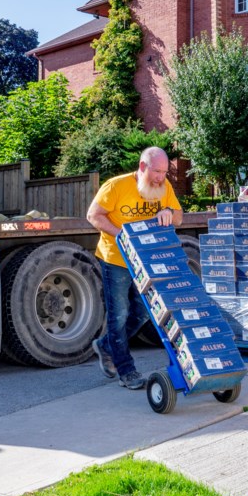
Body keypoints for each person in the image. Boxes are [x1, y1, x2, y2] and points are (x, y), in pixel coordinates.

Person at [86, 147, 183, 390]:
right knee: (118, 315)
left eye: (164, 172)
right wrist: (122, 236)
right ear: (142, 167)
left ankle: (106, 345)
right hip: (116, 259)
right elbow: (94, 215)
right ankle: (126, 370)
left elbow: (179, 216)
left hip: (147, 259)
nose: (161, 177)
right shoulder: (116, 186)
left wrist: (168, 212)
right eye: (157, 172)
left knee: (142, 312)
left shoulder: (164, 188)